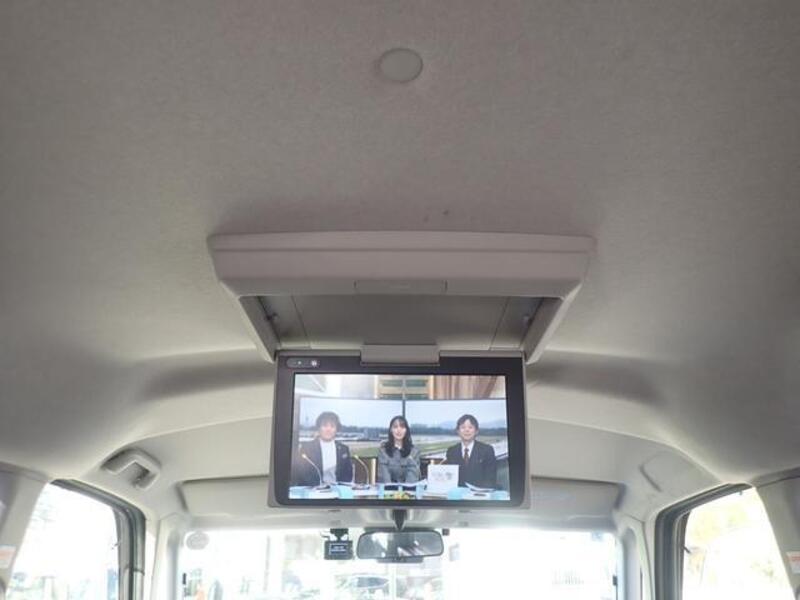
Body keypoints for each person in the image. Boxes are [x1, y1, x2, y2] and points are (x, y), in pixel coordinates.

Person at [292, 411, 353, 486]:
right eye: (325, 425)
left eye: (332, 426)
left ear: (336, 429)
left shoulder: (344, 449)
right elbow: (302, 473)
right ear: (319, 428)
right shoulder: (307, 448)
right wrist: (320, 488)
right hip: (313, 490)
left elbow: (348, 475)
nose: (328, 429)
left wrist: (339, 488)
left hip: (337, 490)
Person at [445, 414, 497, 489]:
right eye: (463, 427)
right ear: (458, 431)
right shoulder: (451, 451)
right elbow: (449, 477)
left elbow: (490, 479)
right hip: (457, 493)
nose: (467, 430)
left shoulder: (487, 450)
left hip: (480, 494)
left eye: (470, 427)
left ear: (476, 431)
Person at [377, 415, 421, 484]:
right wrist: (391, 489)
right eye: (395, 427)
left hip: (408, 489)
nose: (399, 430)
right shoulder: (383, 451)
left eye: (402, 427)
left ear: (406, 430)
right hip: (388, 489)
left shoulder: (414, 452)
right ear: (391, 430)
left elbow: (412, 478)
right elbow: (385, 478)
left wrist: (404, 491)